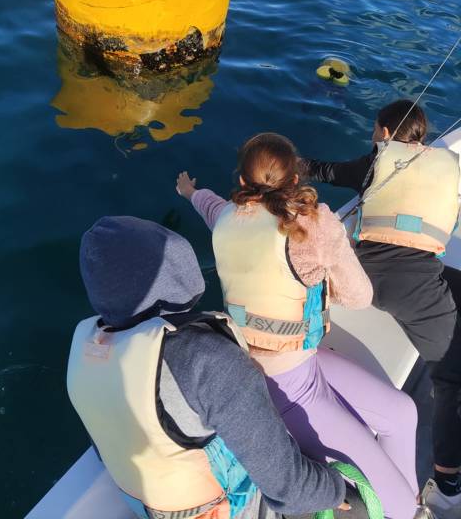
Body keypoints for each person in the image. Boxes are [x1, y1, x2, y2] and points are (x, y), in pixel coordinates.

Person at [176, 133, 420, 519]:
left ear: (242, 183)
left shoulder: (226, 217)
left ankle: (405, 503)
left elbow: (209, 206)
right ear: (294, 180)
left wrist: (189, 191)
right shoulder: (312, 225)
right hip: (287, 387)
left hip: (301, 361)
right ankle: (405, 510)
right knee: (396, 502)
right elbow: (358, 296)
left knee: (403, 412)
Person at [67, 215, 366, 519]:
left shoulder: (89, 353)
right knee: (356, 508)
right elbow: (290, 489)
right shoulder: (204, 357)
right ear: (180, 272)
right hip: (228, 507)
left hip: (150, 508)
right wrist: (335, 489)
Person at [303, 100, 461, 518]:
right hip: (414, 287)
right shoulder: (449, 167)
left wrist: (286, 168)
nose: (374, 138)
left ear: (387, 135)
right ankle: (447, 485)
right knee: (449, 379)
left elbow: (323, 170)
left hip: (363, 275)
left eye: (375, 131)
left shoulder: (375, 162)